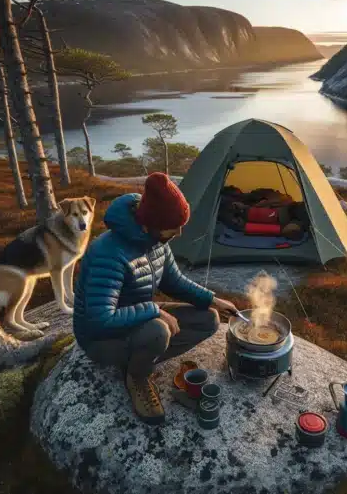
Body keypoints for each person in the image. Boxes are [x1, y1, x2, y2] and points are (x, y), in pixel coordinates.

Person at [72, 172, 239, 425]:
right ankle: (136, 376)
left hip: (136, 316)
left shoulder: (157, 239)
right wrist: (154, 311)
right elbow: (99, 319)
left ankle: (141, 353)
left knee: (209, 319)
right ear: (146, 225)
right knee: (158, 332)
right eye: (173, 229)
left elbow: (175, 281)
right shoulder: (107, 253)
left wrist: (213, 299)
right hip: (101, 338)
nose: (179, 233)